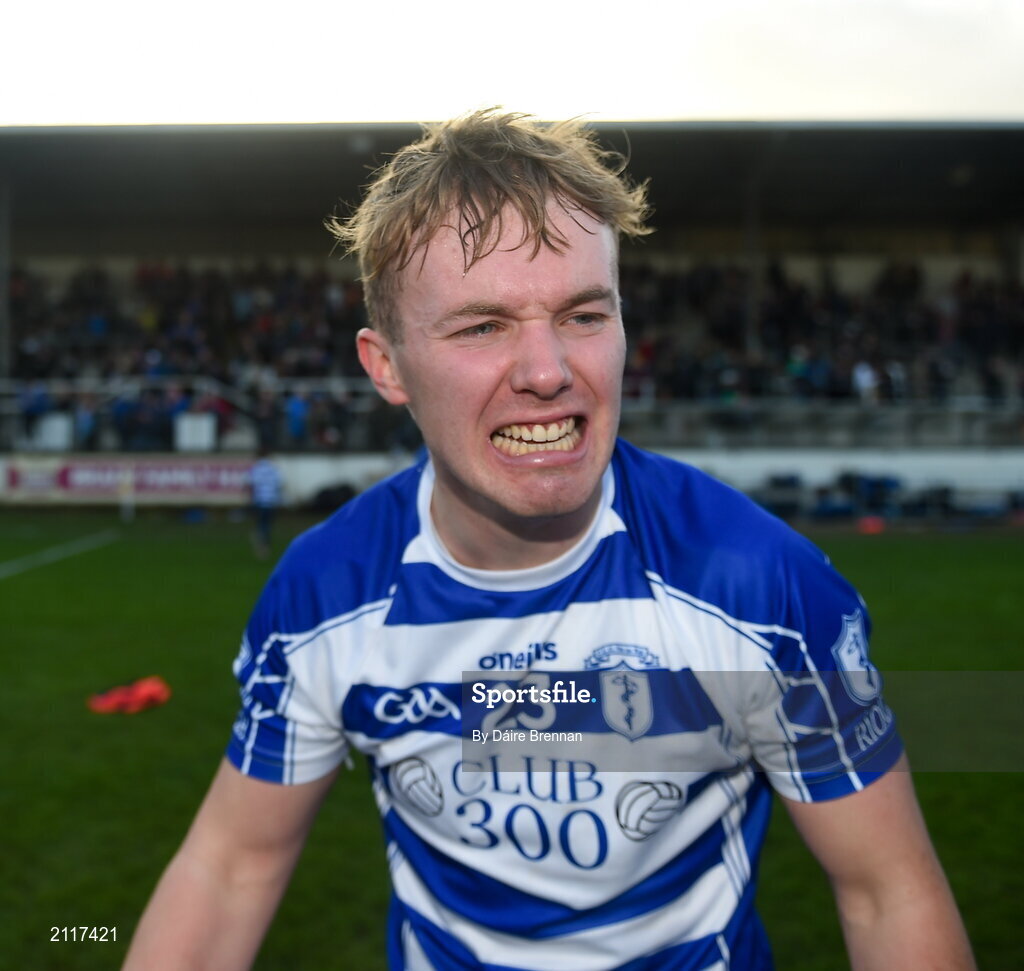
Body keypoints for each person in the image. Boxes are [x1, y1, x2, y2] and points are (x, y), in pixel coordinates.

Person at [124, 110, 975, 971]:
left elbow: (888, 891)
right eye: (482, 325)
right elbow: (231, 866)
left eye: (582, 314)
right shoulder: (322, 596)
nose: (547, 371)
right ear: (385, 366)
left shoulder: (765, 590)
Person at [248, 446, 283, 559]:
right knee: (267, 524)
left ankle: (262, 544)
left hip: (260, 500)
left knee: (261, 523)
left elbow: (251, 484)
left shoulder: (256, 468)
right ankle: (264, 545)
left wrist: (251, 498)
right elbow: (279, 484)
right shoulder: (273, 469)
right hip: (271, 500)